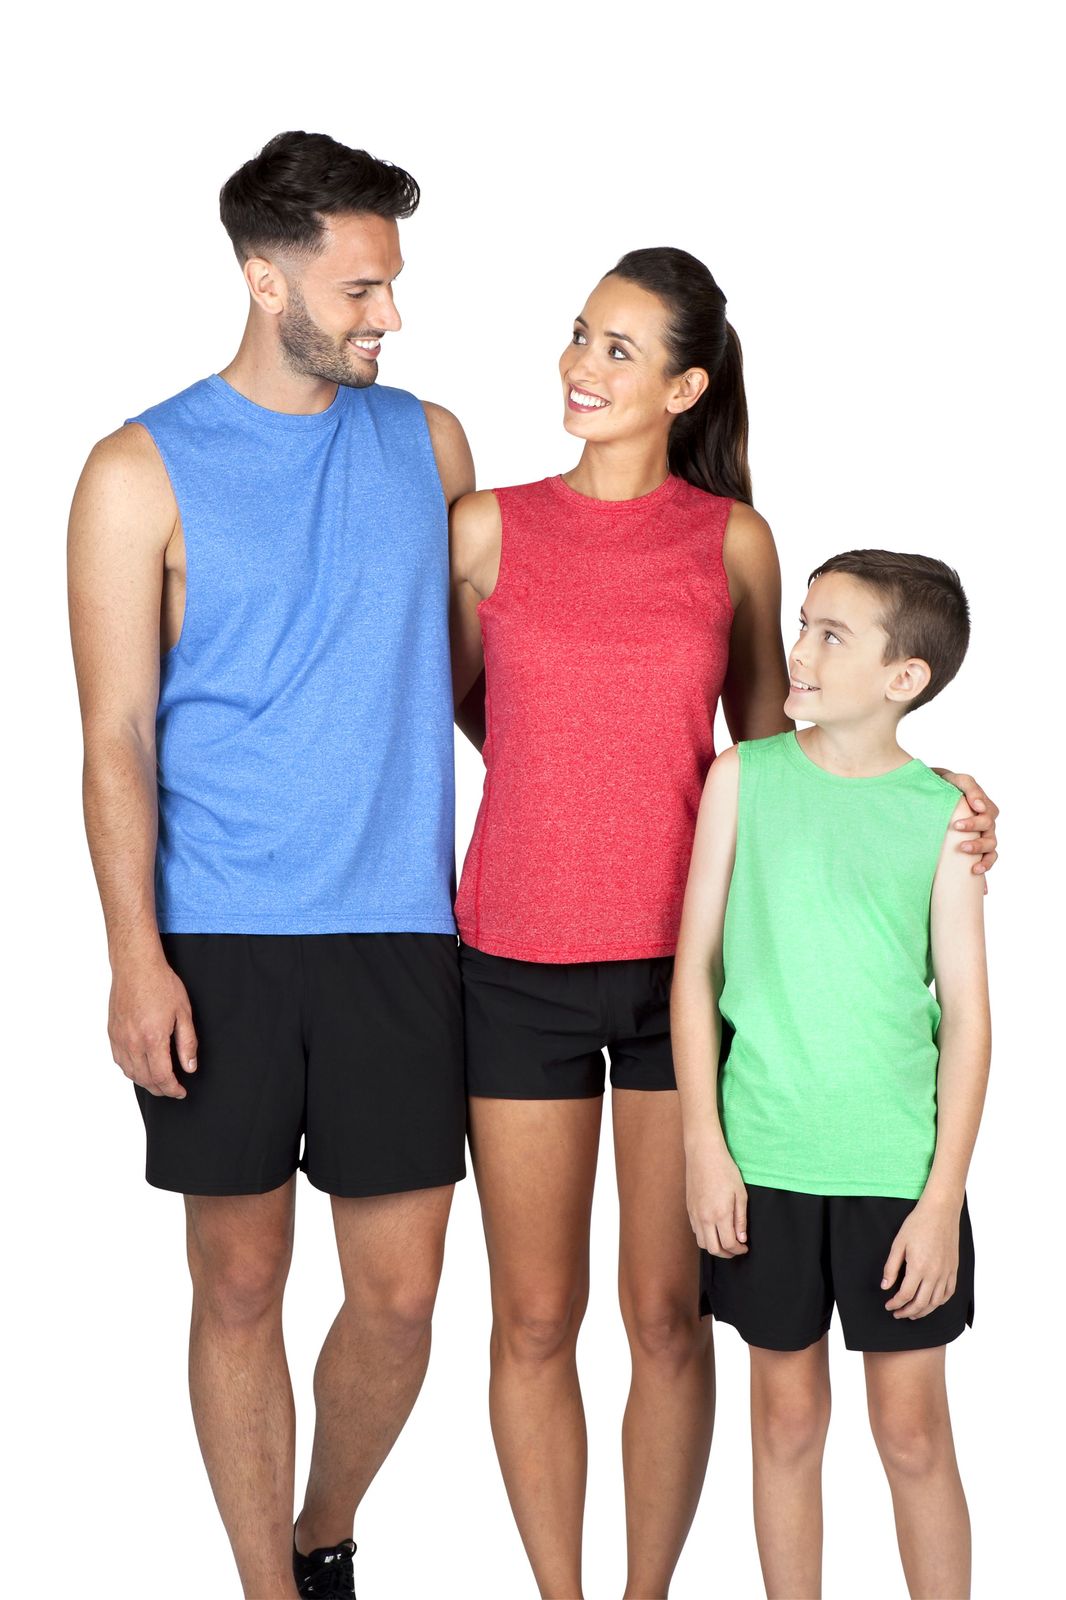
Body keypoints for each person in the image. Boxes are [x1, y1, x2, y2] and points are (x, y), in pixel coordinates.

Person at [447, 248, 999, 1598]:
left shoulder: (731, 540)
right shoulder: (484, 528)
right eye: (579, 334)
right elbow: (460, 705)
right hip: (513, 954)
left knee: (663, 1317)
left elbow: (787, 750)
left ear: (685, 387)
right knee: (533, 1317)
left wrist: (937, 796)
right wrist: (561, 780)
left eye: (619, 349)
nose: (580, 364)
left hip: (684, 981)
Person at [68, 131, 474, 1600]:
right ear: (265, 279)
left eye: (392, 284)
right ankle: (264, 1587)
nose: (389, 315)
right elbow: (115, 735)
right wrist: (135, 958)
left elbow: (476, 685)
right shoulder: (136, 470)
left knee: (402, 1299)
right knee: (238, 1281)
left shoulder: (428, 445)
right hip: (220, 935)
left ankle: (322, 1533)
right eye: (362, 289)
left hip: (400, 929)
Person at [672, 551, 989, 1600]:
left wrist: (941, 1198)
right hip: (763, 1158)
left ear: (905, 677)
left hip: (896, 1173)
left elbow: (968, 1017)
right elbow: (695, 970)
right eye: (802, 623)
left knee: (912, 1433)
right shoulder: (742, 778)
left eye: (830, 635)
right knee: (786, 1420)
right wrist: (705, 1147)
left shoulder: (943, 814)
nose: (796, 651)